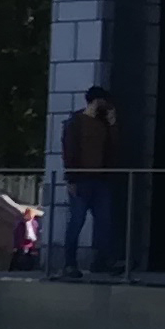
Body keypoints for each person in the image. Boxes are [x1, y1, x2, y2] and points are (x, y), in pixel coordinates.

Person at [58, 85, 122, 276]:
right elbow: (69, 150)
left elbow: (113, 149)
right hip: (82, 178)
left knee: (104, 222)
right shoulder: (76, 123)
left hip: (100, 178)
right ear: (96, 101)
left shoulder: (103, 124)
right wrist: (71, 178)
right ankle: (70, 263)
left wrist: (112, 125)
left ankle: (102, 261)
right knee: (76, 221)